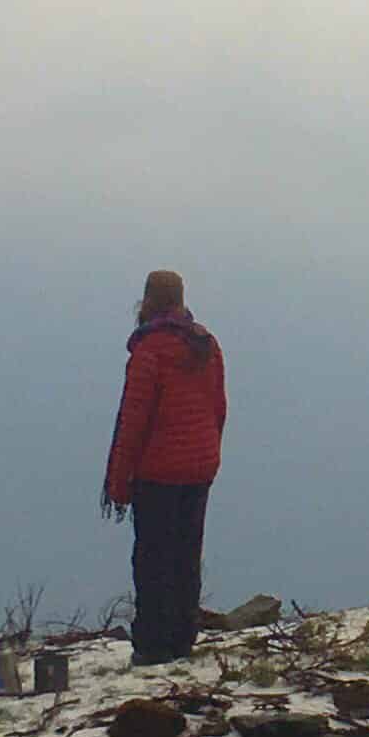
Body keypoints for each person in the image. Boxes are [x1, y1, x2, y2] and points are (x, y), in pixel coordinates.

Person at [100, 268, 228, 664]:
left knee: (152, 559)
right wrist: (207, 455)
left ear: (149, 299)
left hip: (158, 472)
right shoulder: (207, 345)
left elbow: (132, 421)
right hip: (198, 468)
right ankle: (182, 638)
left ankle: (154, 647)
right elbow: (218, 409)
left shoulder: (150, 349)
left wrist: (118, 483)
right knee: (186, 554)